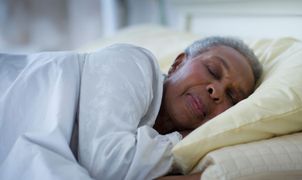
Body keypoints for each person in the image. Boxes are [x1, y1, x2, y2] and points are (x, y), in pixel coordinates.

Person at [0, 36, 262, 180]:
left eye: (232, 97)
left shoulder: (169, 143)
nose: (215, 91)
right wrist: (183, 138)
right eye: (212, 70)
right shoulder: (133, 63)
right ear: (178, 63)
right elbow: (109, 166)